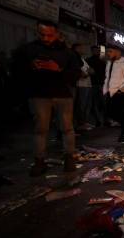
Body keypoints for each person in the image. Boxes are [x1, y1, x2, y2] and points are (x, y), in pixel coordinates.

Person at [13, 21, 82, 176]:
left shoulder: (67, 52)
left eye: (49, 35)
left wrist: (58, 70)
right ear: (37, 33)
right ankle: (39, 161)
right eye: (42, 34)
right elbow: (16, 70)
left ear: (57, 34)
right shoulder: (28, 50)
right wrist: (31, 67)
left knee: (67, 128)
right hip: (39, 94)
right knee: (40, 129)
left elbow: (76, 74)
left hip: (62, 94)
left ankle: (69, 158)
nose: (46, 38)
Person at [103, 45, 124, 143]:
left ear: (118, 52)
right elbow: (107, 78)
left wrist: (121, 90)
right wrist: (105, 90)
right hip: (111, 92)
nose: (108, 54)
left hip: (121, 93)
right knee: (110, 112)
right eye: (107, 52)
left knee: (120, 113)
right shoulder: (109, 63)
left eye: (110, 51)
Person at [73, 44, 94, 131]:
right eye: (81, 48)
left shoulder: (82, 59)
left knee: (86, 105)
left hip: (87, 84)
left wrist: (89, 72)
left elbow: (91, 70)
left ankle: (84, 122)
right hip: (81, 85)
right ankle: (80, 124)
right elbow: (84, 73)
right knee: (81, 105)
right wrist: (88, 72)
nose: (83, 49)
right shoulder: (75, 59)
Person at [86, 46, 107, 126]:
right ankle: (99, 120)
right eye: (95, 50)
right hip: (94, 84)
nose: (96, 51)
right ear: (92, 51)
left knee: (103, 103)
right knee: (96, 103)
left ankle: (104, 120)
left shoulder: (102, 61)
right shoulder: (89, 60)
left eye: (97, 50)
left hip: (99, 83)